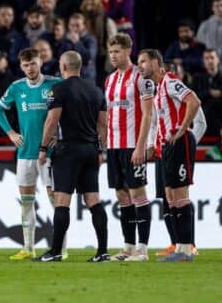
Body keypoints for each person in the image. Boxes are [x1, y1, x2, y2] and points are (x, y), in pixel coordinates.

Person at [34, 51, 109, 262]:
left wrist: (42, 149)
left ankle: (56, 251)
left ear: (64, 67)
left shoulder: (58, 89)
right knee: (93, 200)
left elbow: (51, 121)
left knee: (62, 201)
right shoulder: (95, 90)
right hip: (91, 150)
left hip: (68, 150)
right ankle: (102, 251)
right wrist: (101, 150)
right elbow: (103, 124)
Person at [0, 48, 63, 260]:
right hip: (24, 154)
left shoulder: (55, 84)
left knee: (55, 201)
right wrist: (11, 133)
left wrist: (60, 136)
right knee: (26, 201)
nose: (29, 69)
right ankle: (28, 247)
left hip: (49, 154)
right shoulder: (16, 87)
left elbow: (69, 110)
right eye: (25, 65)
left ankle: (61, 248)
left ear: (40, 61)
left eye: (32, 63)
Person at [137, 49, 206, 262]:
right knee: (170, 198)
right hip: (166, 147)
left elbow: (194, 101)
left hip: (179, 143)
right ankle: (180, 248)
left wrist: (182, 129)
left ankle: (187, 250)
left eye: (144, 62)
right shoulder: (158, 89)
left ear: (157, 63)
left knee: (180, 196)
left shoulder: (170, 81)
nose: (140, 66)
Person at [104, 34, 154, 261]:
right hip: (114, 146)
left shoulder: (140, 78)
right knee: (121, 196)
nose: (113, 56)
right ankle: (128, 247)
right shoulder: (109, 79)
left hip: (133, 144)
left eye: (117, 51)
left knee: (137, 194)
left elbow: (147, 114)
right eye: (111, 51)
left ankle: (142, 249)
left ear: (128, 51)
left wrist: (141, 146)